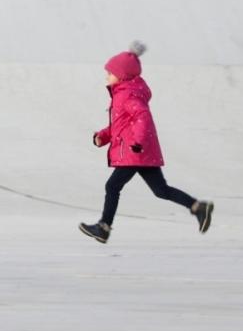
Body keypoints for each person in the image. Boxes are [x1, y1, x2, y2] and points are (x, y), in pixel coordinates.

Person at [79, 41, 213, 243]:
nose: (106, 76)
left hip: (135, 152)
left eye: (110, 72)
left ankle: (104, 227)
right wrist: (103, 136)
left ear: (122, 75)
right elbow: (121, 125)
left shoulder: (127, 95)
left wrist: (138, 143)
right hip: (140, 151)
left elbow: (143, 117)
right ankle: (197, 207)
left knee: (112, 186)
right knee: (161, 190)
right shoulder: (123, 94)